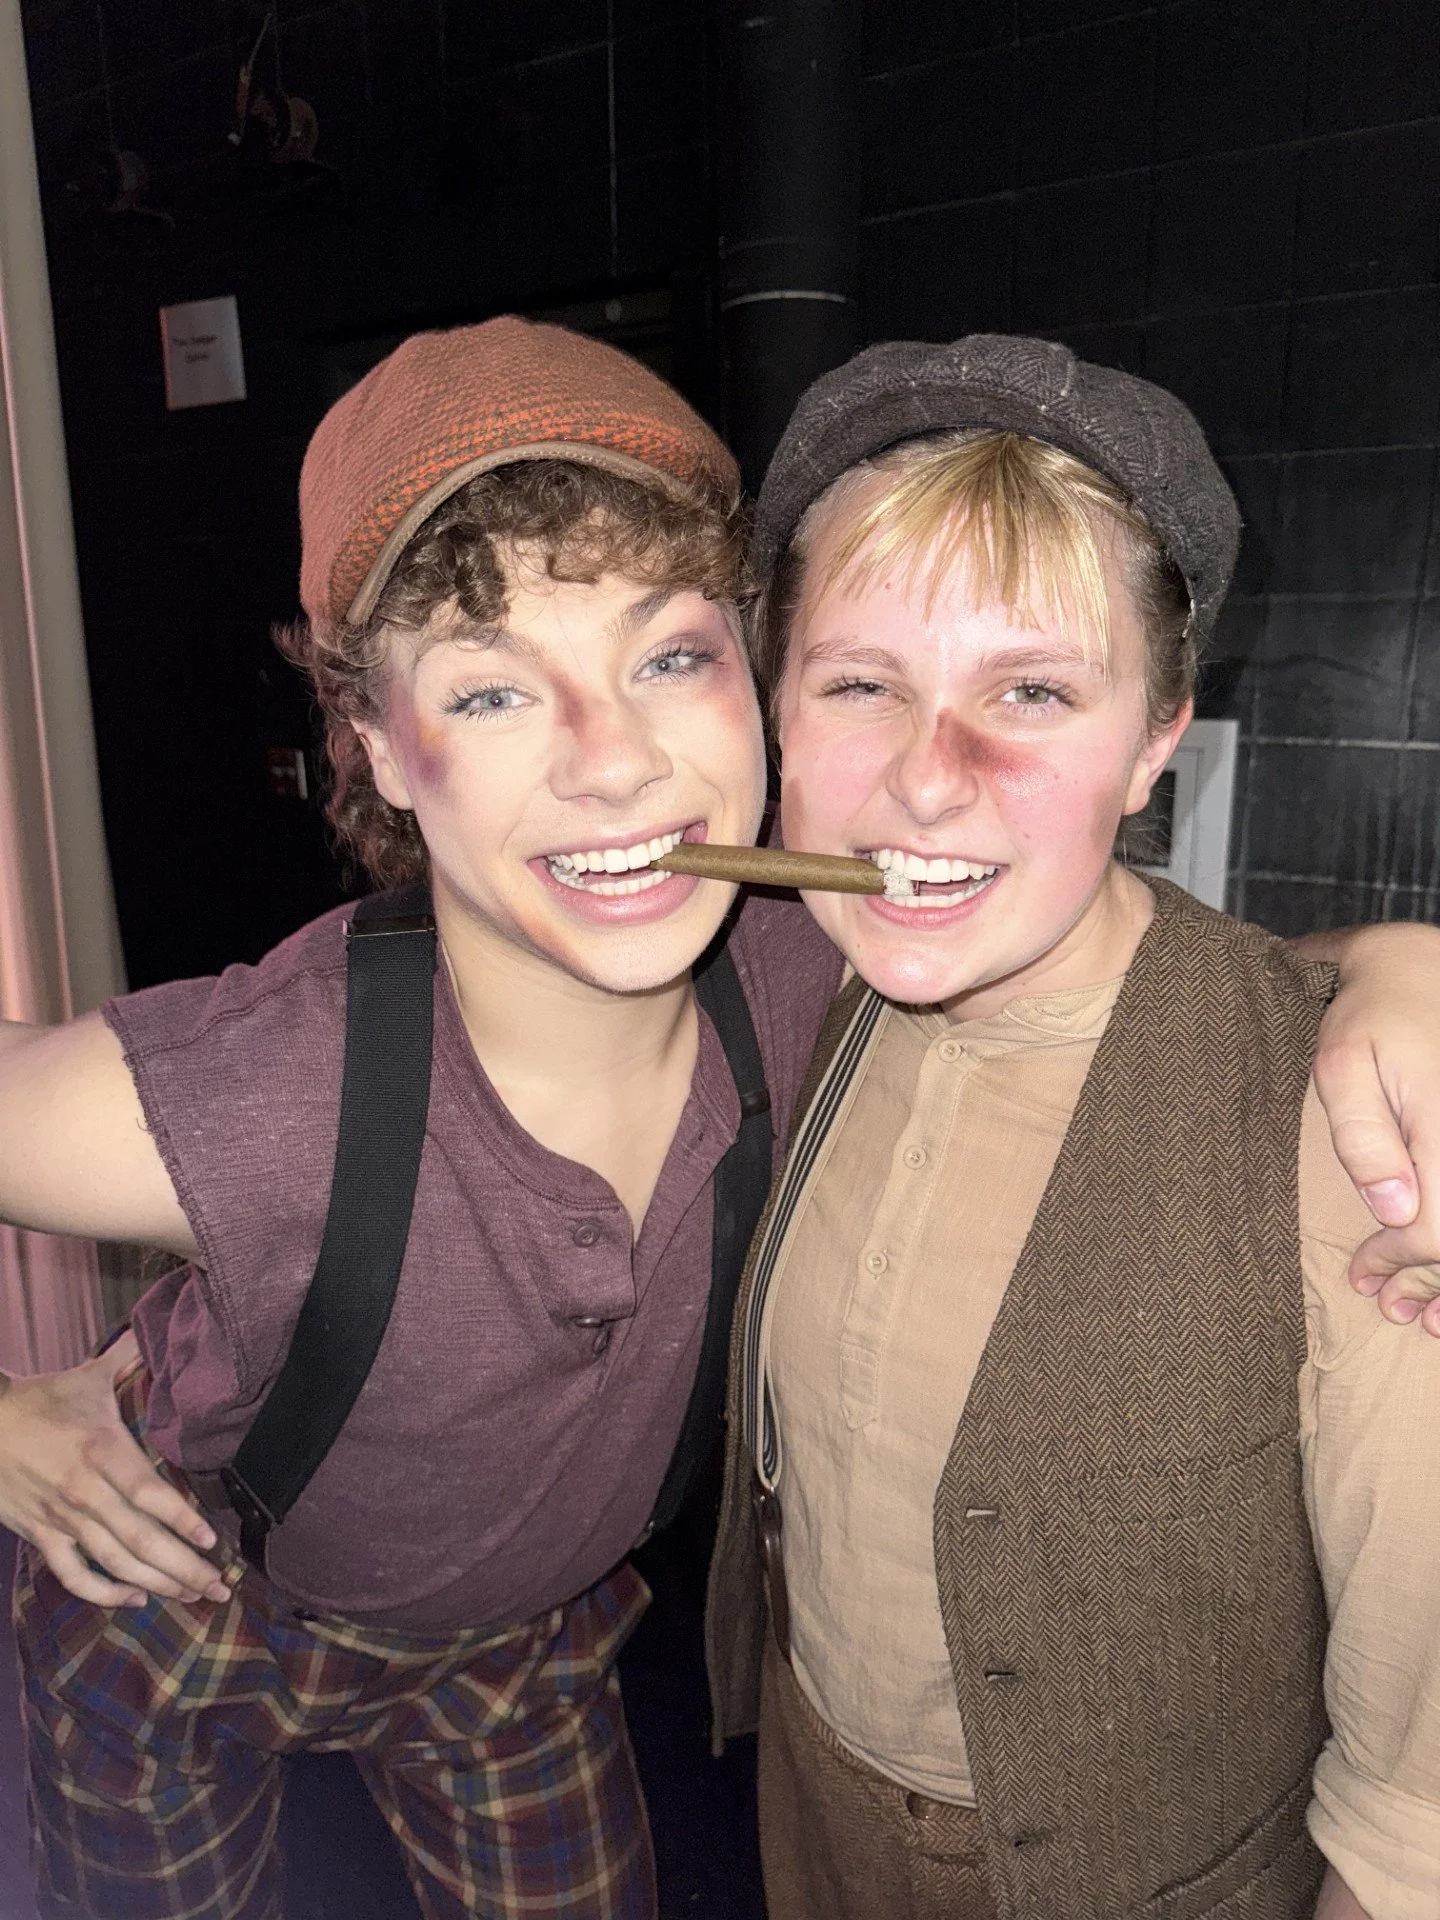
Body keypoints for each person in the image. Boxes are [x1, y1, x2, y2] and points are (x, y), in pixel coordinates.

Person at [0, 320, 1435, 1920]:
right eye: (487, 691)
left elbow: (1104, 979)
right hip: (190, 1596)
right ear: (378, 750)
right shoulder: (262, 1083)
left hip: (525, 1655)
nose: (614, 764)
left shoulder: (806, 957)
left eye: (668, 656)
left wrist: (1391, 967)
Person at [705, 336, 1440, 1920]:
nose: (924, 784)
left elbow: (1418, 1799)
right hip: (802, 1808)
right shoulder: (794, 982)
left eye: (1029, 691)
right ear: (777, 706)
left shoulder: (1347, 1141)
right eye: (858, 684)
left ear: (1158, 735)